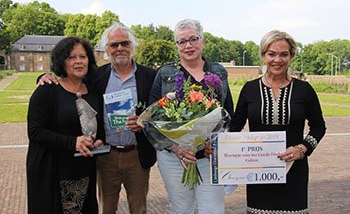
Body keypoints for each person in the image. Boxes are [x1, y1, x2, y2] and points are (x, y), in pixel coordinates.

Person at [37, 22, 157, 214]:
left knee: (139, 209)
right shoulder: (96, 76)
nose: (119, 48)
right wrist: (44, 76)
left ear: (132, 45)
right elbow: (67, 81)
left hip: (137, 154)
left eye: (124, 43)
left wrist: (144, 123)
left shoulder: (150, 76)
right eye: (114, 45)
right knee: (106, 208)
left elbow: (160, 111)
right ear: (107, 49)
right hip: (106, 155)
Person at [221, 30, 326, 213]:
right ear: (263, 55)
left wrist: (302, 149)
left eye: (283, 54)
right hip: (258, 170)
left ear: (291, 56)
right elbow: (235, 127)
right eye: (272, 54)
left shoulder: (304, 90)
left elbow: (318, 127)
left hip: (294, 170)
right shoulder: (250, 89)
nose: (277, 60)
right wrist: (218, 146)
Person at [149, 19, 235, 214]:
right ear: (177, 46)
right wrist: (176, 148)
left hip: (208, 156)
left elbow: (228, 113)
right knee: (181, 209)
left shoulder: (218, 72)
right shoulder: (165, 73)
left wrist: (213, 143)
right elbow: (151, 119)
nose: (188, 45)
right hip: (174, 157)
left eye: (193, 39)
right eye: (182, 41)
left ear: (202, 41)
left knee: (213, 209)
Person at [27, 37, 105, 214]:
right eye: (71, 57)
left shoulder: (93, 93)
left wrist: (99, 140)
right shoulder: (47, 90)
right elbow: (35, 131)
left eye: (82, 56)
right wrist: (72, 143)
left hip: (83, 172)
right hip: (52, 171)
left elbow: (98, 127)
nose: (78, 61)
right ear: (61, 61)